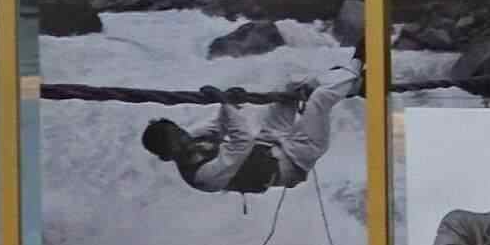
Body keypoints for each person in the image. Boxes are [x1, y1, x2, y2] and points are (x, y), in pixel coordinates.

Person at [139, 53, 361, 196]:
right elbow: (242, 141)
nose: (184, 139)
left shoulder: (189, 138)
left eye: (179, 132)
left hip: (271, 142)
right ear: (167, 157)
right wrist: (225, 102)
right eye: (176, 142)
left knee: (290, 89)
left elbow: (219, 125)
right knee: (320, 99)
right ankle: (355, 68)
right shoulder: (201, 176)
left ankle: (348, 81)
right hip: (296, 160)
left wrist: (229, 100)